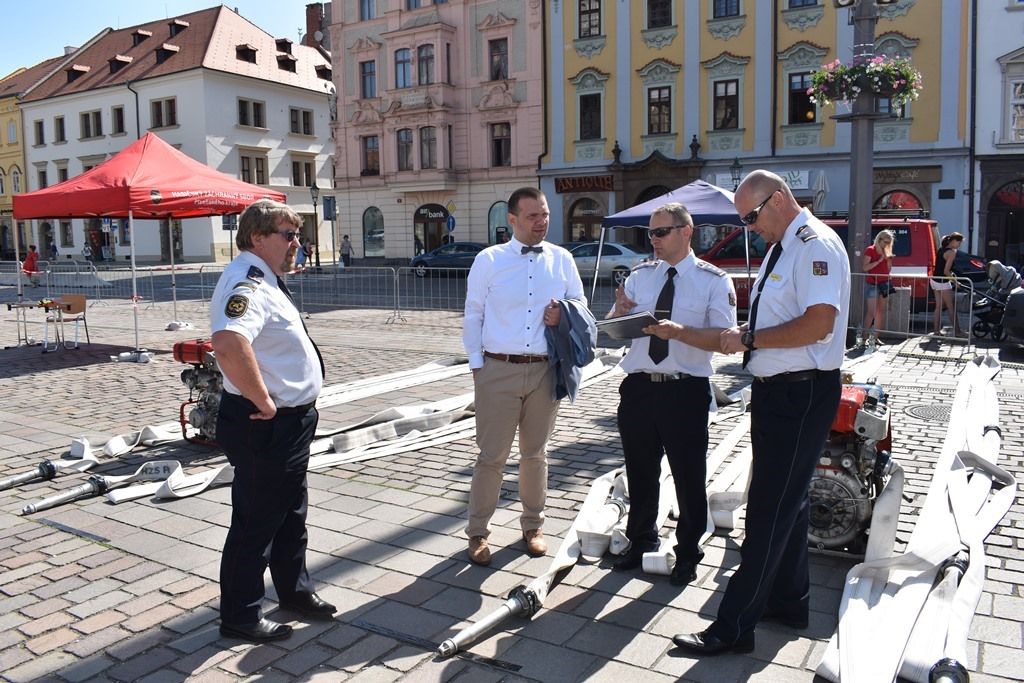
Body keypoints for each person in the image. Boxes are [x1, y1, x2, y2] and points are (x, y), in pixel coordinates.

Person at [673, 170, 850, 655]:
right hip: (779, 390)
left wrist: (750, 338)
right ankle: (787, 601)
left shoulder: (814, 245)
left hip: (801, 393)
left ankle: (732, 627)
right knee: (786, 503)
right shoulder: (782, 245)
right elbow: (781, 316)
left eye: (751, 216)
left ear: (778, 199)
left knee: (768, 510)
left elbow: (818, 324)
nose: (749, 227)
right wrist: (749, 334)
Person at [209, 199, 333, 643]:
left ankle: (293, 592)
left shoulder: (266, 278)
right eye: (288, 234)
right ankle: (240, 615)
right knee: (257, 520)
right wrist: (262, 399)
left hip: (289, 423)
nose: (297, 243)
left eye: (297, 235)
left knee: (289, 512)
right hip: (266, 422)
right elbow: (227, 342)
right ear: (258, 237)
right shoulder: (250, 281)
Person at [605, 202, 736, 586]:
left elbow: (726, 340)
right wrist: (618, 312)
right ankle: (641, 538)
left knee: (688, 477)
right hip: (640, 388)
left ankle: (688, 551)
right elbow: (615, 329)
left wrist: (679, 332)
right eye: (650, 233)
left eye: (661, 232)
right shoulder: (641, 275)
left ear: (685, 231)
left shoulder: (713, 281)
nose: (654, 240)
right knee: (640, 472)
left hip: (685, 390)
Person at [462, 187, 586, 566]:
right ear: (512, 220)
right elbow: (473, 313)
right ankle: (478, 533)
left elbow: (580, 303)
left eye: (545, 214)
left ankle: (534, 526)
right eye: (533, 216)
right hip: (497, 369)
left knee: (535, 455)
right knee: (491, 457)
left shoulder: (562, 259)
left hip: (545, 370)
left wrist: (562, 314)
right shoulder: (489, 260)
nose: (542, 222)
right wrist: (477, 366)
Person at [861, 229, 894, 346]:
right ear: (879, 239)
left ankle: (875, 338)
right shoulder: (870, 250)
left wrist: (888, 261)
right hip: (873, 284)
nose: (887, 244)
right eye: (885, 242)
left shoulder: (887, 251)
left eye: (889, 242)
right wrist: (879, 261)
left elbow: (888, 269)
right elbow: (865, 268)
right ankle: (864, 338)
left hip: (884, 283)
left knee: (880, 312)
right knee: (871, 312)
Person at [931, 232, 965, 337]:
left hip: (934, 279)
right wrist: (956, 282)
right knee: (951, 307)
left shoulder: (941, 249)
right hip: (942, 281)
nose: (959, 245)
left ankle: (936, 331)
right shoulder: (951, 252)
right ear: (954, 241)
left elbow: (942, 268)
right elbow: (946, 271)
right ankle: (958, 332)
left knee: (938, 306)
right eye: (959, 243)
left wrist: (951, 275)